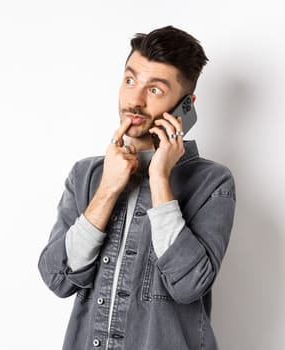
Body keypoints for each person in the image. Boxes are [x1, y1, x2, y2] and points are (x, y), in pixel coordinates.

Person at [38, 25, 235, 350]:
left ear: (186, 104)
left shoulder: (212, 183)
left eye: (155, 90)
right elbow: (57, 278)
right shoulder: (86, 174)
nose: (135, 100)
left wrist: (159, 179)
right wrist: (108, 190)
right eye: (130, 80)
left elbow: (188, 286)